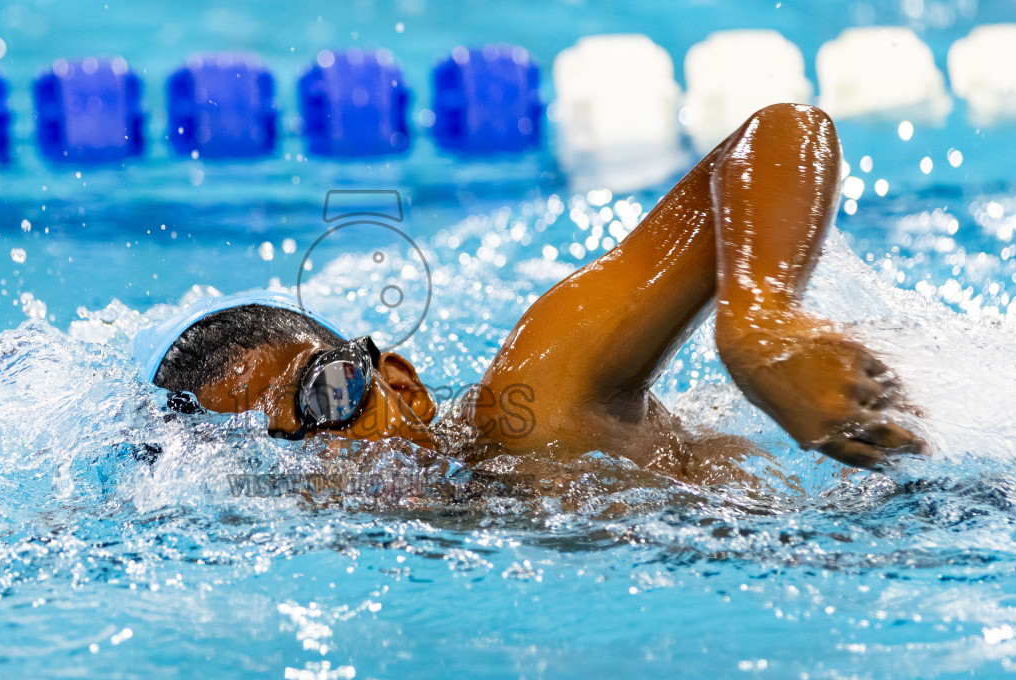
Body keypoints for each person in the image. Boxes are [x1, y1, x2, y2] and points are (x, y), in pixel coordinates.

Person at [132, 103, 928, 480]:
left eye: (328, 389)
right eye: (275, 459)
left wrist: (760, 322)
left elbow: (781, 131)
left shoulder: (532, 409)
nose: (330, 454)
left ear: (398, 381)